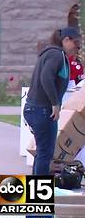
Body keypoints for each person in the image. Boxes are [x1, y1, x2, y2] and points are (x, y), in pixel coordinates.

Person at [24, 27, 80, 175]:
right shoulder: (56, 55)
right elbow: (46, 77)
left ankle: (35, 192)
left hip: (34, 108)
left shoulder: (50, 54)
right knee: (45, 154)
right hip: (42, 110)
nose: (77, 48)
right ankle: (39, 194)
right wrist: (54, 103)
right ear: (66, 40)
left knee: (42, 152)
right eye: (76, 44)